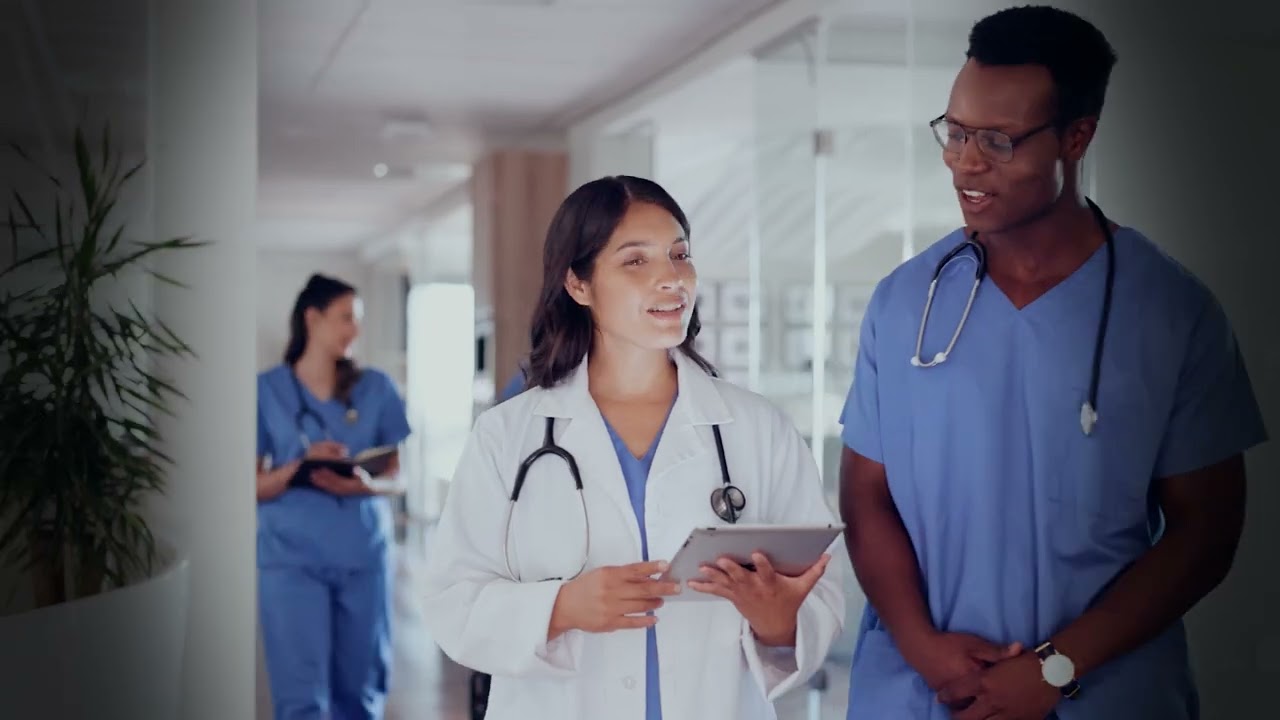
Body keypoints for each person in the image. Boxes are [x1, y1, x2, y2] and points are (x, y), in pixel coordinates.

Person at [838, 6, 1268, 720]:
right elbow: (866, 496)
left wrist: (1057, 668)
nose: (964, 162)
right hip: (920, 690)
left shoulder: (1170, 311)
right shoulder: (903, 301)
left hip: (1104, 693)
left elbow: (1206, 532)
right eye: (955, 131)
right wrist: (922, 647)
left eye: (998, 141)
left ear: (1077, 137)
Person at [420, 175, 846, 720]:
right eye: (636, 261)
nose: (671, 278)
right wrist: (562, 607)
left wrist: (779, 619)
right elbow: (453, 602)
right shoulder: (510, 435)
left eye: (679, 254)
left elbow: (818, 590)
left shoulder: (757, 429)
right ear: (579, 285)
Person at [255, 273, 413, 720]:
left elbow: (399, 478)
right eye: (346, 318)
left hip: (363, 557)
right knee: (300, 697)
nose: (355, 330)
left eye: (357, 320)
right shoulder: (267, 391)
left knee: (361, 692)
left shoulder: (377, 389)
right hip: (291, 561)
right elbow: (250, 487)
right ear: (312, 318)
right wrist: (297, 466)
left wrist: (364, 484)